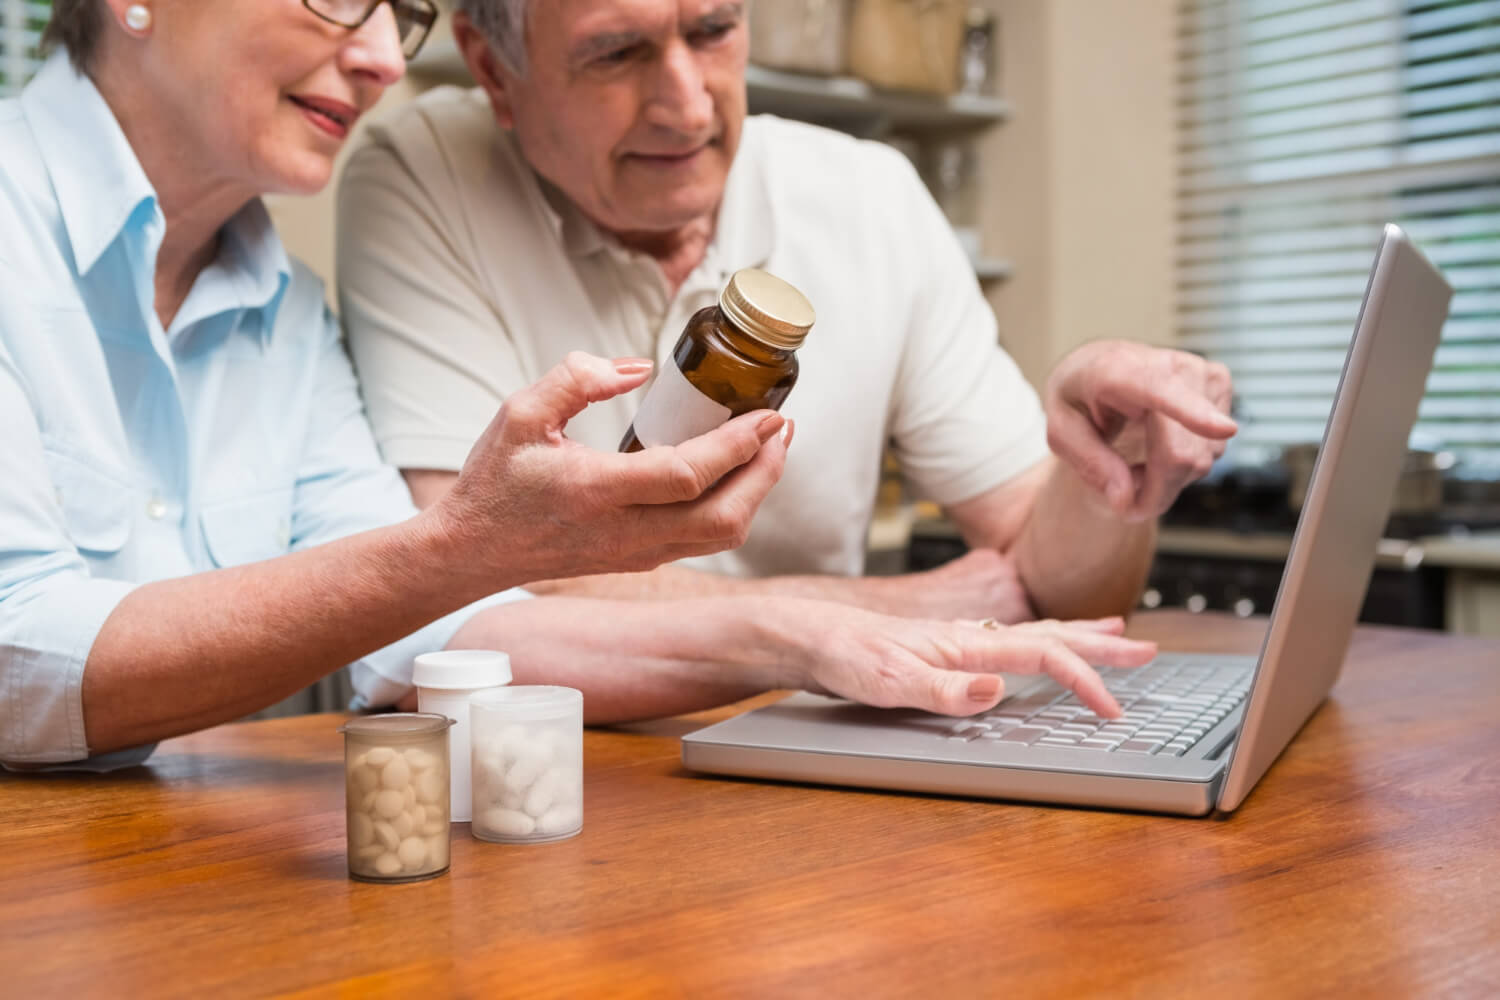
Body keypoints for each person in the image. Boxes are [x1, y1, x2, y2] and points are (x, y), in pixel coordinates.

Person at [0, 0, 1157, 770]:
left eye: (393, 12)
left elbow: (425, 641)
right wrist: (468, 544)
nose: (379, 58)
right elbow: (16, 657)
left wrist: (800, 638)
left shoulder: (280, 312)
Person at [336, 0, 1237, 627]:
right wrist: (890, 608)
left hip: (816, 759)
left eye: (716, 29)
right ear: (496, 69)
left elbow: (1060, 588)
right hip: (561, 766)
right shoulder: (423, 170)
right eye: (617, 52)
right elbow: (468, 585)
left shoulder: (869, 195)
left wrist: (1103, 463)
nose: (689, 103)